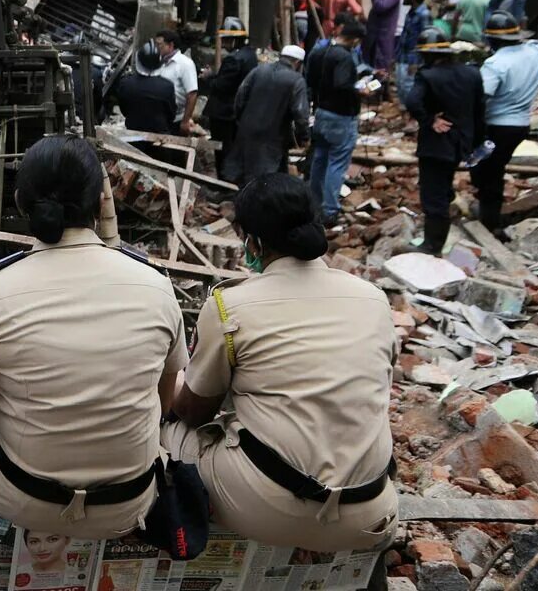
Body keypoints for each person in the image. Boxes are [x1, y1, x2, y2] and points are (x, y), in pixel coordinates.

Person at [0, 137, 186, 540]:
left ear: (21, 201)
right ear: (99, 203)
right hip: (128, 503)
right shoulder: (156, 285)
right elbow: (164, 402)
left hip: (19, 496)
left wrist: (21, 400)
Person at [163, 174, 397, 553]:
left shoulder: (228, 306)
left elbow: (193, 411)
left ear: (251, 240)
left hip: (267, 510)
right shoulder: (373, 298)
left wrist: (168, 387)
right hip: (368, 515)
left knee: (167, 436)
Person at [475, 9, 538, 236]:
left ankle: (490, 222)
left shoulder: (494, 64)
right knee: (492, 169)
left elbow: (480, 99)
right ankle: (488, 212)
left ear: (491, 39)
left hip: (495, 127)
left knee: (487, 172)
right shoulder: (536, 52)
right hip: (519, 126)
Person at [400, 44, 486, 256]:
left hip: (436, 144)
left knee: (433, 194)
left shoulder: (428, 76)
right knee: (444, 185)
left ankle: (432, 245)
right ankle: (440, 231)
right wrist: (476, 143)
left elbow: (412, 101)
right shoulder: (472, 73)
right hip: (461, 143)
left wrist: (429, 120)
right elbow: (479, 110)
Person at [225, 45, 311, 187]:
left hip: (247, 129)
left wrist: (241, 120)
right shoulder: (296, 80)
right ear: (297, 63)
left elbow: (240, 97)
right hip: (273, 135)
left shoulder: (259, 70)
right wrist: (304, 137)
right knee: (265, 176)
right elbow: (301, 113)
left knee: (245, 169)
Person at [305, 21, 362, 227]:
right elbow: (342, 84)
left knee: (320, 158)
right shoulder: (345, 57)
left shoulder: (320, 52)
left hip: (321, 112)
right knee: (336, 163)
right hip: (341, 115)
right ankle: (330, 210)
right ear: (354, 39)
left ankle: (313, 203)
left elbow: (309, 79)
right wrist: (359, 90)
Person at [201, 21, 256, 177]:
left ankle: (224, 184)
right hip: (236, 112)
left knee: (223, 149)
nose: (223, 43)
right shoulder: (249, 55)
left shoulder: (234, 59)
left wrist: (209, 77)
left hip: (224, 112)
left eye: (226, 39)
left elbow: (221, 86)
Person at [136, 30, 199, 135]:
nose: (156, 48)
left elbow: (192, 94)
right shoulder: (159, 62)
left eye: (159, 44)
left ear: (170, 45)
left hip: (176, 119)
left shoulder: (185, 64)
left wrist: (185, 121)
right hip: (157, 117)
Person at [112, 44, 180, 135]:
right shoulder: (167, 86)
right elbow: (171, 114)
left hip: (133, 132)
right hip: (159, 135)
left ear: (138, 61)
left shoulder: (125, 83)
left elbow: (124, 109)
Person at [393, 0, 431, 103]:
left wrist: (417, 61)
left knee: (409, 86)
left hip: (413, 57)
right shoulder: (410, 13)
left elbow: (426, 38)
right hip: (403, 55)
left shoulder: (424, 14)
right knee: (400, 85)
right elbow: (406, 35)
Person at [364, 0, 402, 73]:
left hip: (385, 29)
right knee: (370, 54)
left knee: (382, 58)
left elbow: (381, 6)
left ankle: (382, 84)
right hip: (376, 27)